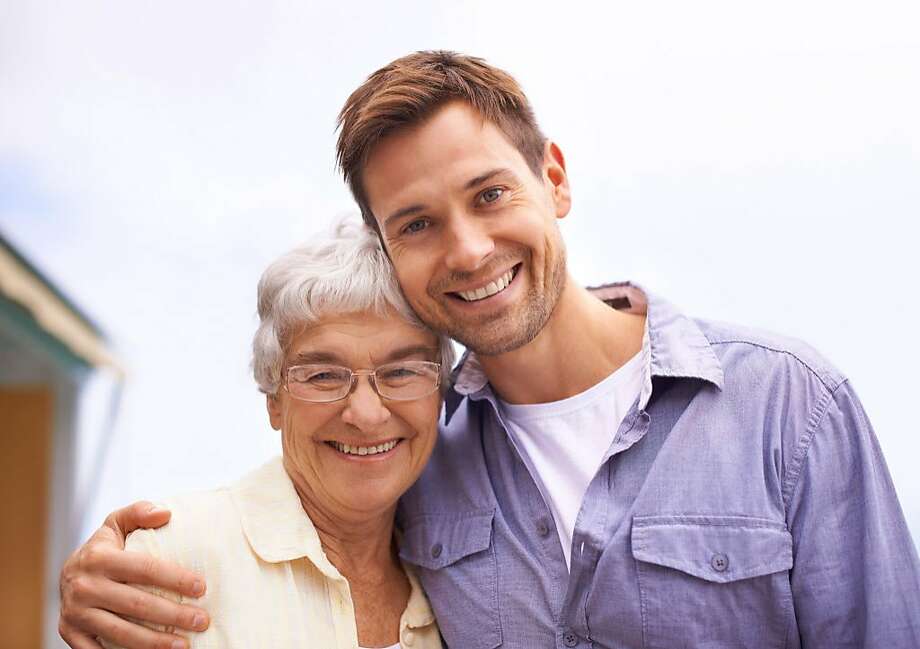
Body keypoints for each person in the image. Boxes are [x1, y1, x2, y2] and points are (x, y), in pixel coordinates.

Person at [60, 51, 920, 649]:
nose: (468, 249)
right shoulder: (414, 453)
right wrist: (109, 576)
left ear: (555, 178)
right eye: (418, 224)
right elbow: (291, 518)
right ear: (386, 246)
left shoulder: (790, 406)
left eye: (490, 193)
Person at [65, 219, 453, 649]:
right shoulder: (168, 561)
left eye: (401, 372)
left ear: (441, 393)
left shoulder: (455, 583)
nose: (365, 413)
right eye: (323, 375)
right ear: (274, 399)